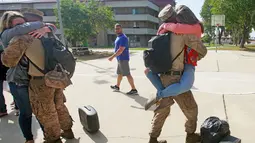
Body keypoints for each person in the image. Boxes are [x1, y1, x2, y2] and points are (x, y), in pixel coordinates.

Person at [1, 9, 74, 143]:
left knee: (47, 113)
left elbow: (8, 61)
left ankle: (53, 139)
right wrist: (46, 27)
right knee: (59, 106)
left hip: (39, 81)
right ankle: (68, 131)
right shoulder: (46, 34)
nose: (22, 27)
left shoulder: (21, 39)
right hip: (55, 76)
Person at [146, 5, 207, 143]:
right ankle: (190, 136)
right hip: (176, 77)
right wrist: (191, 58)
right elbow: (202, 50)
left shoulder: (161, 33)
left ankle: (153, 138)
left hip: (163, 77)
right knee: (191, 109)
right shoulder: (183, 33)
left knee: (162, 110)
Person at [144, 12, 204, 110]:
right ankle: (160, 95)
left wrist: (164, 25)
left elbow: (177, 28)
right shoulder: (174, 31)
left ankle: (159, 95)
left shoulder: (183, 29)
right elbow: (203, 51)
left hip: (175, 67)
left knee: (162, 113)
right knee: (190, 109)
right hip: (177, 70)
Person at [108, 23, 138, 95]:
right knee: (119, 73)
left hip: (123, 59)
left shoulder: (123, 38)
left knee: (127, 74)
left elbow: (120, 50)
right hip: (119, 59)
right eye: (116, 28)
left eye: (118, 28)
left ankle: (134, 89)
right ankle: (117, 86)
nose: (117, 30)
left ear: (121, 29)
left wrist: (112, 57)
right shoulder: (118, 37)